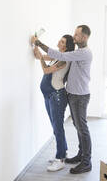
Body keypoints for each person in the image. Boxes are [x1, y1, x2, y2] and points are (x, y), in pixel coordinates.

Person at [31, 25, 93, 174]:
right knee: (77, 127)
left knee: (82, 128)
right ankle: (79, 155)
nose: (74, 36)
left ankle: (86, 162)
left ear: (84, 37)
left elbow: (59, 59)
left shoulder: (83, 53)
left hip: (79, 96)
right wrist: (37, 50)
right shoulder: (76, 52)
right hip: (71, 94)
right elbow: (50, 56)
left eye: (77, 35)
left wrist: (38, 43)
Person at [32, 34, 75, 172]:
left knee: (58, 127)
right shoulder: (58, 56)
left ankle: (60, 159)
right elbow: (41, 57)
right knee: (55, 126)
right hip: (49, 95)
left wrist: (40, 55)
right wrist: (36, 50)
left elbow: (46, 70)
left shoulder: (64, 60)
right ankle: (63, 152)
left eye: (62, 41)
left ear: (66, 46)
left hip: (57, 96)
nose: (58, 42)